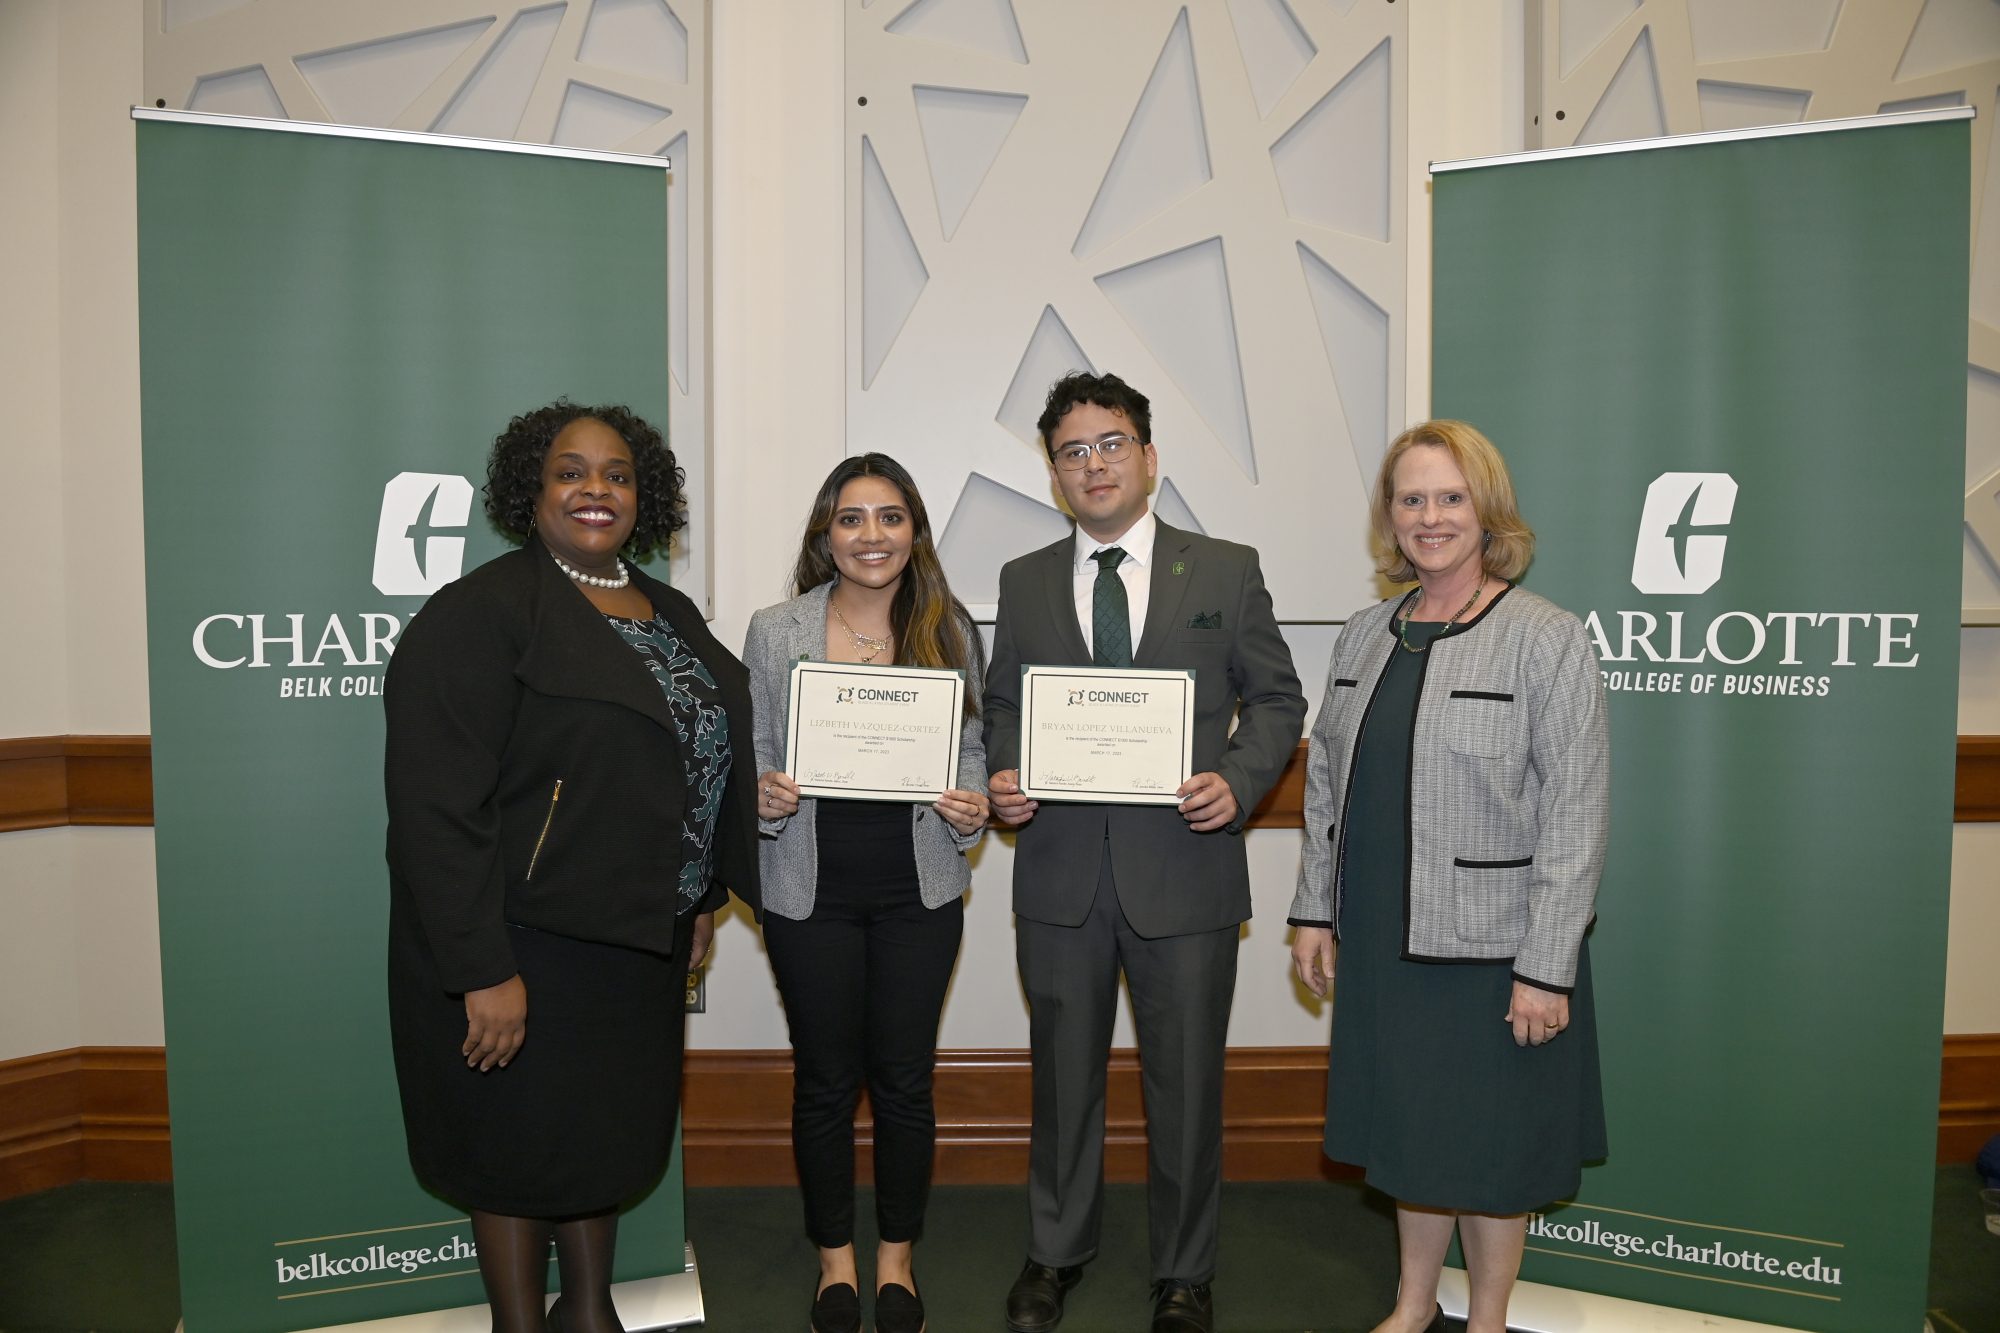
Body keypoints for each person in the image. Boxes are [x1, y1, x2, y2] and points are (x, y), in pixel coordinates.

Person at [384, 401, 759, 1333]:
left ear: (646, 496)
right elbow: (437, 811)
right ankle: (522, 1321)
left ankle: (588, 1307)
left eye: (619, 473)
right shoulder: (480, 613)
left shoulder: (664, 607)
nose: (597, 488)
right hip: (523, 943)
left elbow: (693, 757)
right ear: (531, 489)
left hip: (638, 937)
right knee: (515, 1142)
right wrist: (481, 967)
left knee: (602, 1131)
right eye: (571, 470)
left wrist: (703, 891)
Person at [984, 373, 1306, 1333]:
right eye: (1073, 451)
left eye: (1111, 443)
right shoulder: (1023, 579)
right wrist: (1006, 772)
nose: (1094, 464)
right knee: (1062, 1079)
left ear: (1150, 457)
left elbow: (1280, 701)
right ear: (1054, 474)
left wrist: (1240, 782)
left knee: (1188, 1085)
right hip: (1060, 876)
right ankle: (1054, 1251)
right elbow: (1006, 704)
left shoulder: (1226, 568)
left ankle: (1185, 1271)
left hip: (1188, 872)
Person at [1288, 420, 1609, 1333]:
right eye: (1412, 498)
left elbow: (1577, 814)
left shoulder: (1545, 637)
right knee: (1411, 1135)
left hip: (1494, 946)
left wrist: (1547, 965)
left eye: (1451, 497)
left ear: (1487, 510)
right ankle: (1414, 1301)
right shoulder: (1363, 634)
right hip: (1384, 937)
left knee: (1492, 1146)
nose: (1430, 516)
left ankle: (1490, 1317)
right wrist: (1315, 910)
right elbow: (1326, 787)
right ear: (1390, 518)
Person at [744, 454, 990, 1333]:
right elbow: (757, 748)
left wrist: (972, 807)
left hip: (917, 889)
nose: (872, 535)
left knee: (904, 1083)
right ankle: (835, 1264)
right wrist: (764, 794)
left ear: (915, 530)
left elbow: (972, 751)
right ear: (826, 533)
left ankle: (897, 1263)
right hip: (808, 889)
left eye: (890, 517)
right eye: (853, 518)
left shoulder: (949, 626)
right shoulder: (776, 630)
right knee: (822, 1081)